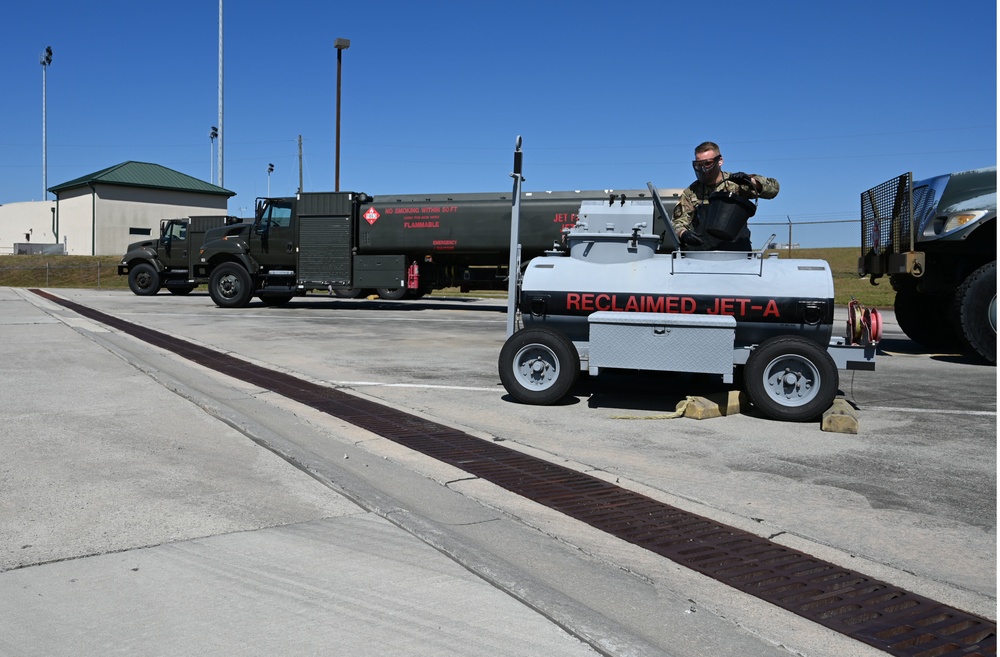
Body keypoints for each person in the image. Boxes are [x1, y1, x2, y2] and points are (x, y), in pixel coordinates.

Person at [672, 141, 779, 251]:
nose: (703, 169)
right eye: (699, 165)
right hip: (703, 254)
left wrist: (750, 181)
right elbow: (678, 222)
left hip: (737, 254)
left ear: (720, 161)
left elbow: (773, 189)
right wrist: (683, 233)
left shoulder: (736, 183)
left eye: (708, 163)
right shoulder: (691, 192)